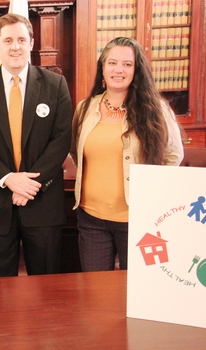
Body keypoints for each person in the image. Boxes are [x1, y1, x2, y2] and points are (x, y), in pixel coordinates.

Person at [0, 14, 73, 277]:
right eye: (8, 40)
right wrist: (9, 179)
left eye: (22, 39)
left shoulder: (55, 85)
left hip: (42, 203)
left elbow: (61, 139)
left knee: (46, 289)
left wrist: (29, 185)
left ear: (31, 43)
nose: (15, 46)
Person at [70, 37, 184, 272]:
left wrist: (153, 192)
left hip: (138, 219)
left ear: (137, 70)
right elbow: (75, 151)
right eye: (112, 63)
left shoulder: (156, 110)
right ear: (103, 68)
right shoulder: (84, 108)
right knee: (96, 292)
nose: (118, 70)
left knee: (137, 294)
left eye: (127, 64)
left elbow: (173, 155)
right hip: (91, 219)